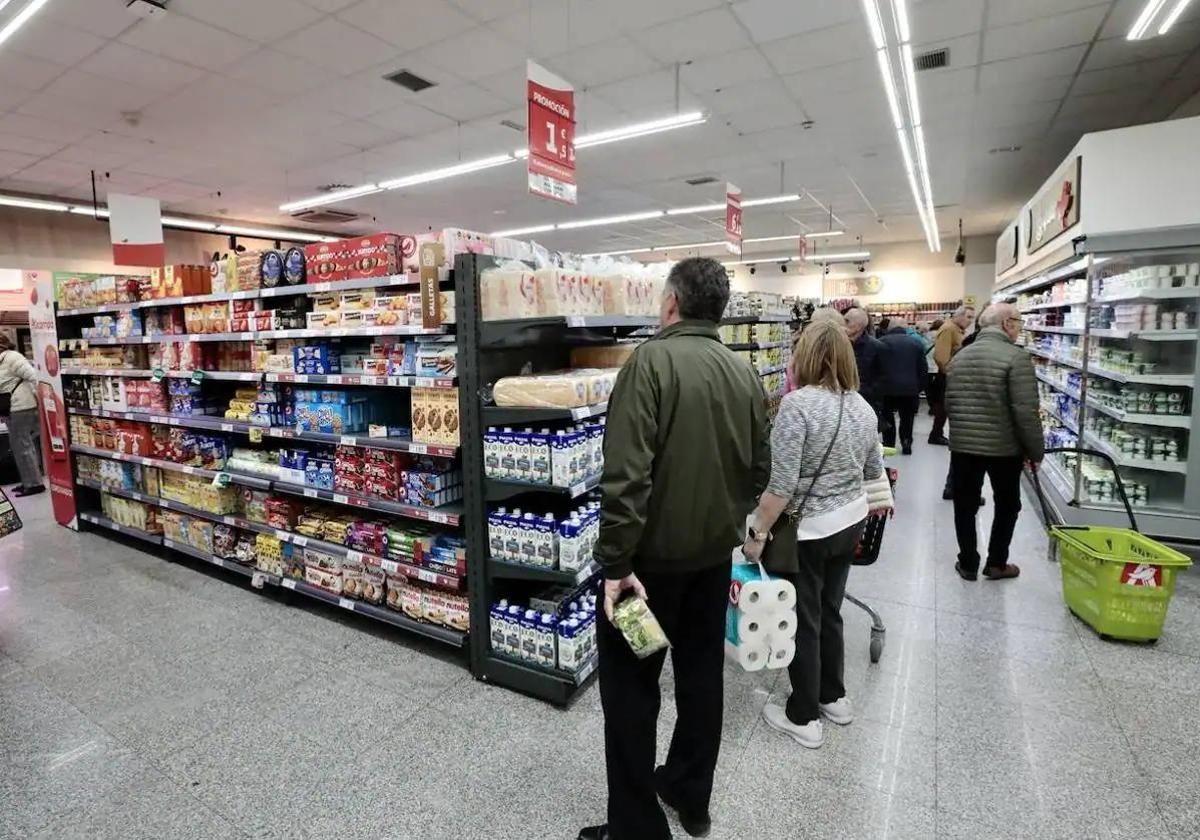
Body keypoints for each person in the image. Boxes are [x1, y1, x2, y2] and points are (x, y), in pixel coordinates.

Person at [580, 257, 770, 840]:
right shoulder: (743, 373)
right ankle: (691, 795)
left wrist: (615, 565)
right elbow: (759, 469)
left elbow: (627, 479)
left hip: (646, 573)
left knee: (632, 693)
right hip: (712, 563)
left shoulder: (650, 363)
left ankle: (636, 827)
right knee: (700, 678)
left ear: (671, 304)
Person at [742, 321, 890, 750]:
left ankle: (803, 715)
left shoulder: (797, 406)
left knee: (803, 618)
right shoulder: (863, 407)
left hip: (809, 531)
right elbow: (870, 472)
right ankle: (834, 696)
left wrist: (757, 532)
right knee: (830, 610)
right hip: (850, 523)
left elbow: (781, 487)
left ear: (803, 356)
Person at [945, 303, 1043, 581]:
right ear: (1006, 323)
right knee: (1007, 504)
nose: (1019, 328)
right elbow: (1025, 411)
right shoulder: (1016, 358)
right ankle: (997, 562)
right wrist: (1035, 450)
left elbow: (950, 403)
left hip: (964, 447)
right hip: (1004, 447)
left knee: (965, 504)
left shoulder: (961, 357)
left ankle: (967, 562)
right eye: (1018, 322)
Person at [0, 335, 43, 496]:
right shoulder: (3, 360)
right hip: (12, 407)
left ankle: (34, 484)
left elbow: (34, 376)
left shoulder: (13, 358)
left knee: (23, 446)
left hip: (22, 407)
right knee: (19, 446)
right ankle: (28, 481)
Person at [877, 321, 928, 454]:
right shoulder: (916, 343)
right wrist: (919, 387)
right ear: (906, 328)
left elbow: (875, 366)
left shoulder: (880, 342)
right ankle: (906, 442)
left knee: (888, 416)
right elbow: (923, 368)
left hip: (886, 387)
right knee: (907, 417)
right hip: (910, 388)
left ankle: (889, 444)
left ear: (889, 328)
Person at [928, 306, 975, 444]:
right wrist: (949, 373)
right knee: (942, 407)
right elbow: (941, 357)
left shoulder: (957, 329)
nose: (970, 321)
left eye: (972, 318)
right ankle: (935, 435)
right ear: (958, 316)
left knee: (945, 408)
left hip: (952, 375)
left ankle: (937, 434)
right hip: (947, 376)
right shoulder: (949, 329)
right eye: (968, 317)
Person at [843, 307, 885, 417]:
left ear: (858, 326)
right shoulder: (840, 345)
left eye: (847, 321)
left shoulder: (877, 347)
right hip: (843, 403)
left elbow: (883, 378)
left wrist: (868, 393)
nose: (843, 325)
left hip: (867, 404)